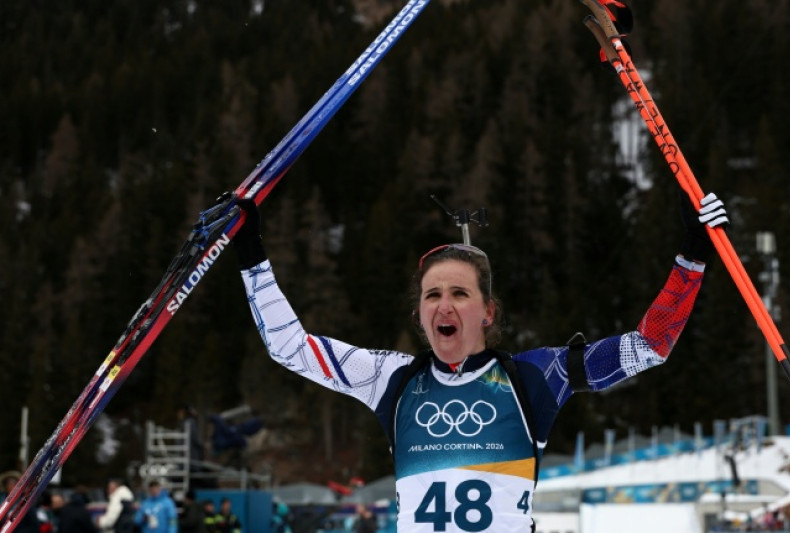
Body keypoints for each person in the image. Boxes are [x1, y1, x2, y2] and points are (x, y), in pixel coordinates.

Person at [233, 188, 728, 532]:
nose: (443, 306)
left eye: (459, 293)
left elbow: (648, 346)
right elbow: (290, 347)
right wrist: (250, 253)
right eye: (432, 296)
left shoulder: (532, 376)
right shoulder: (391, 379)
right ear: (418, 312)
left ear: (488, 311)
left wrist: (693, 254)